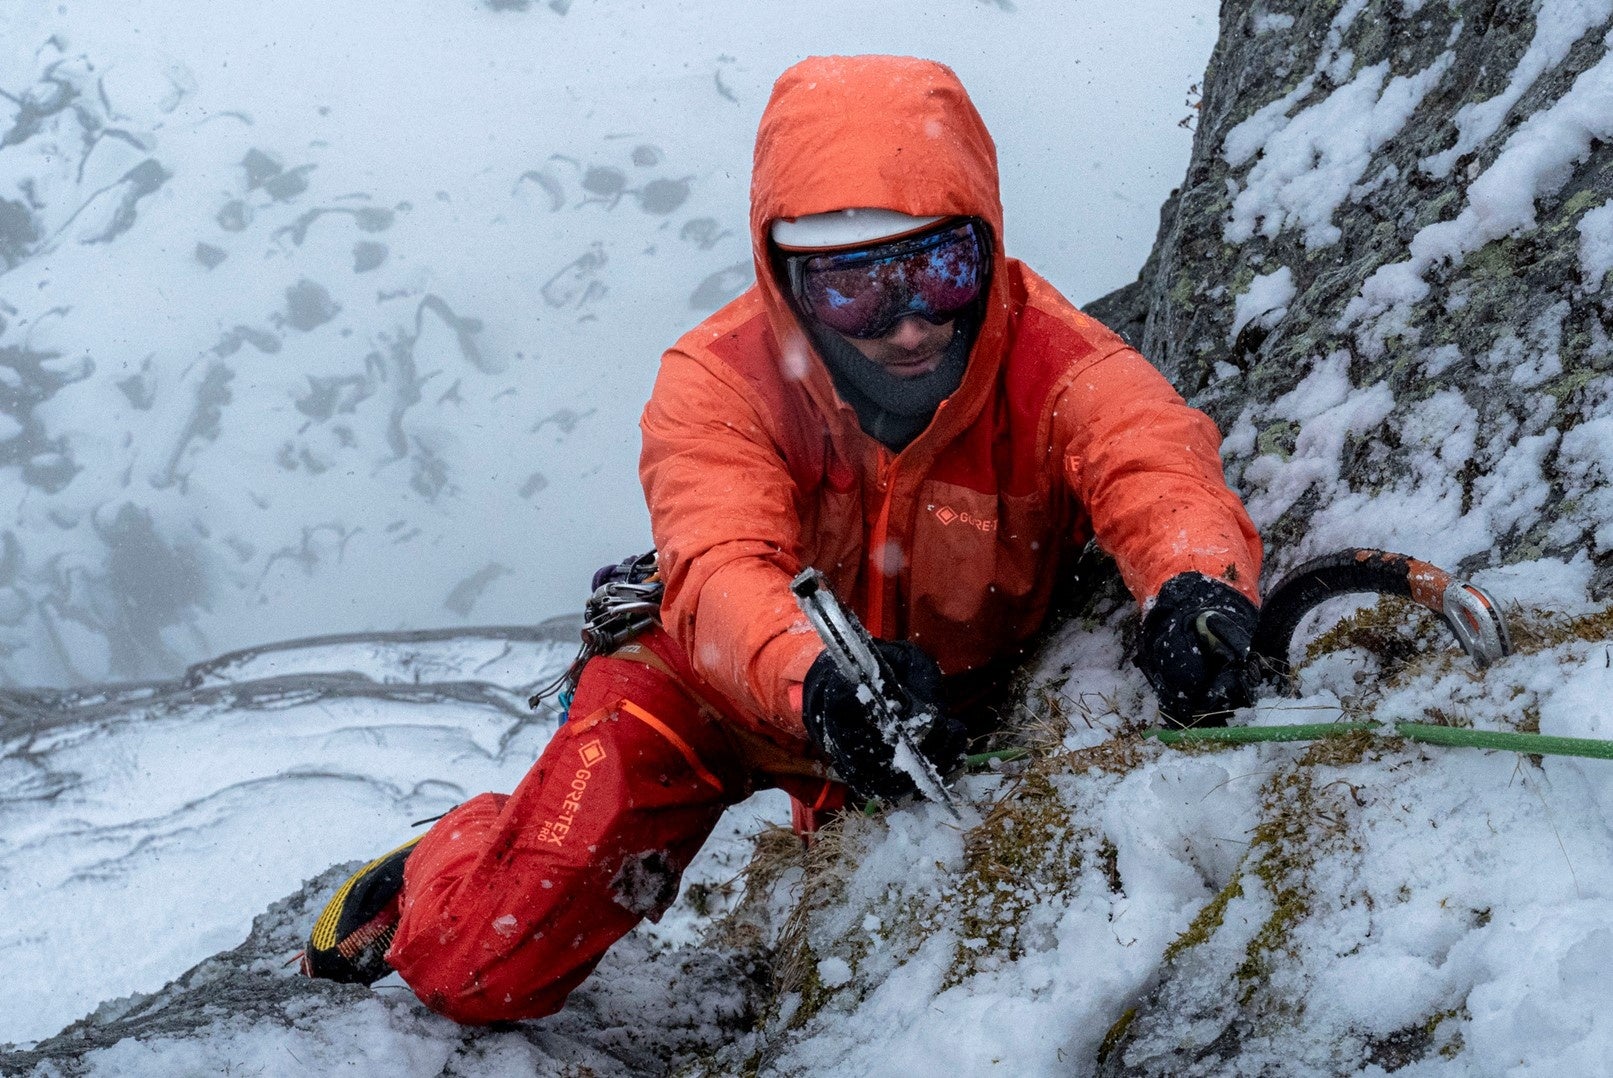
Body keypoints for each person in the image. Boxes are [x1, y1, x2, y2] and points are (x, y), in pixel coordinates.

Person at [300, 54, 1263, 1024]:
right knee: (484, 967)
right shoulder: (719, 380)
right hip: (709, 683)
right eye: (853, 289)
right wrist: (818, 685)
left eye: (939, 268)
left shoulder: (1050, 361)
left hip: (911, 707)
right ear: (787, 277)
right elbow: (718, 565)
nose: (907, 323)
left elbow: (1148, 457)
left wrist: (1193, 584)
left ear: (986, 242)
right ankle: (457, 852)